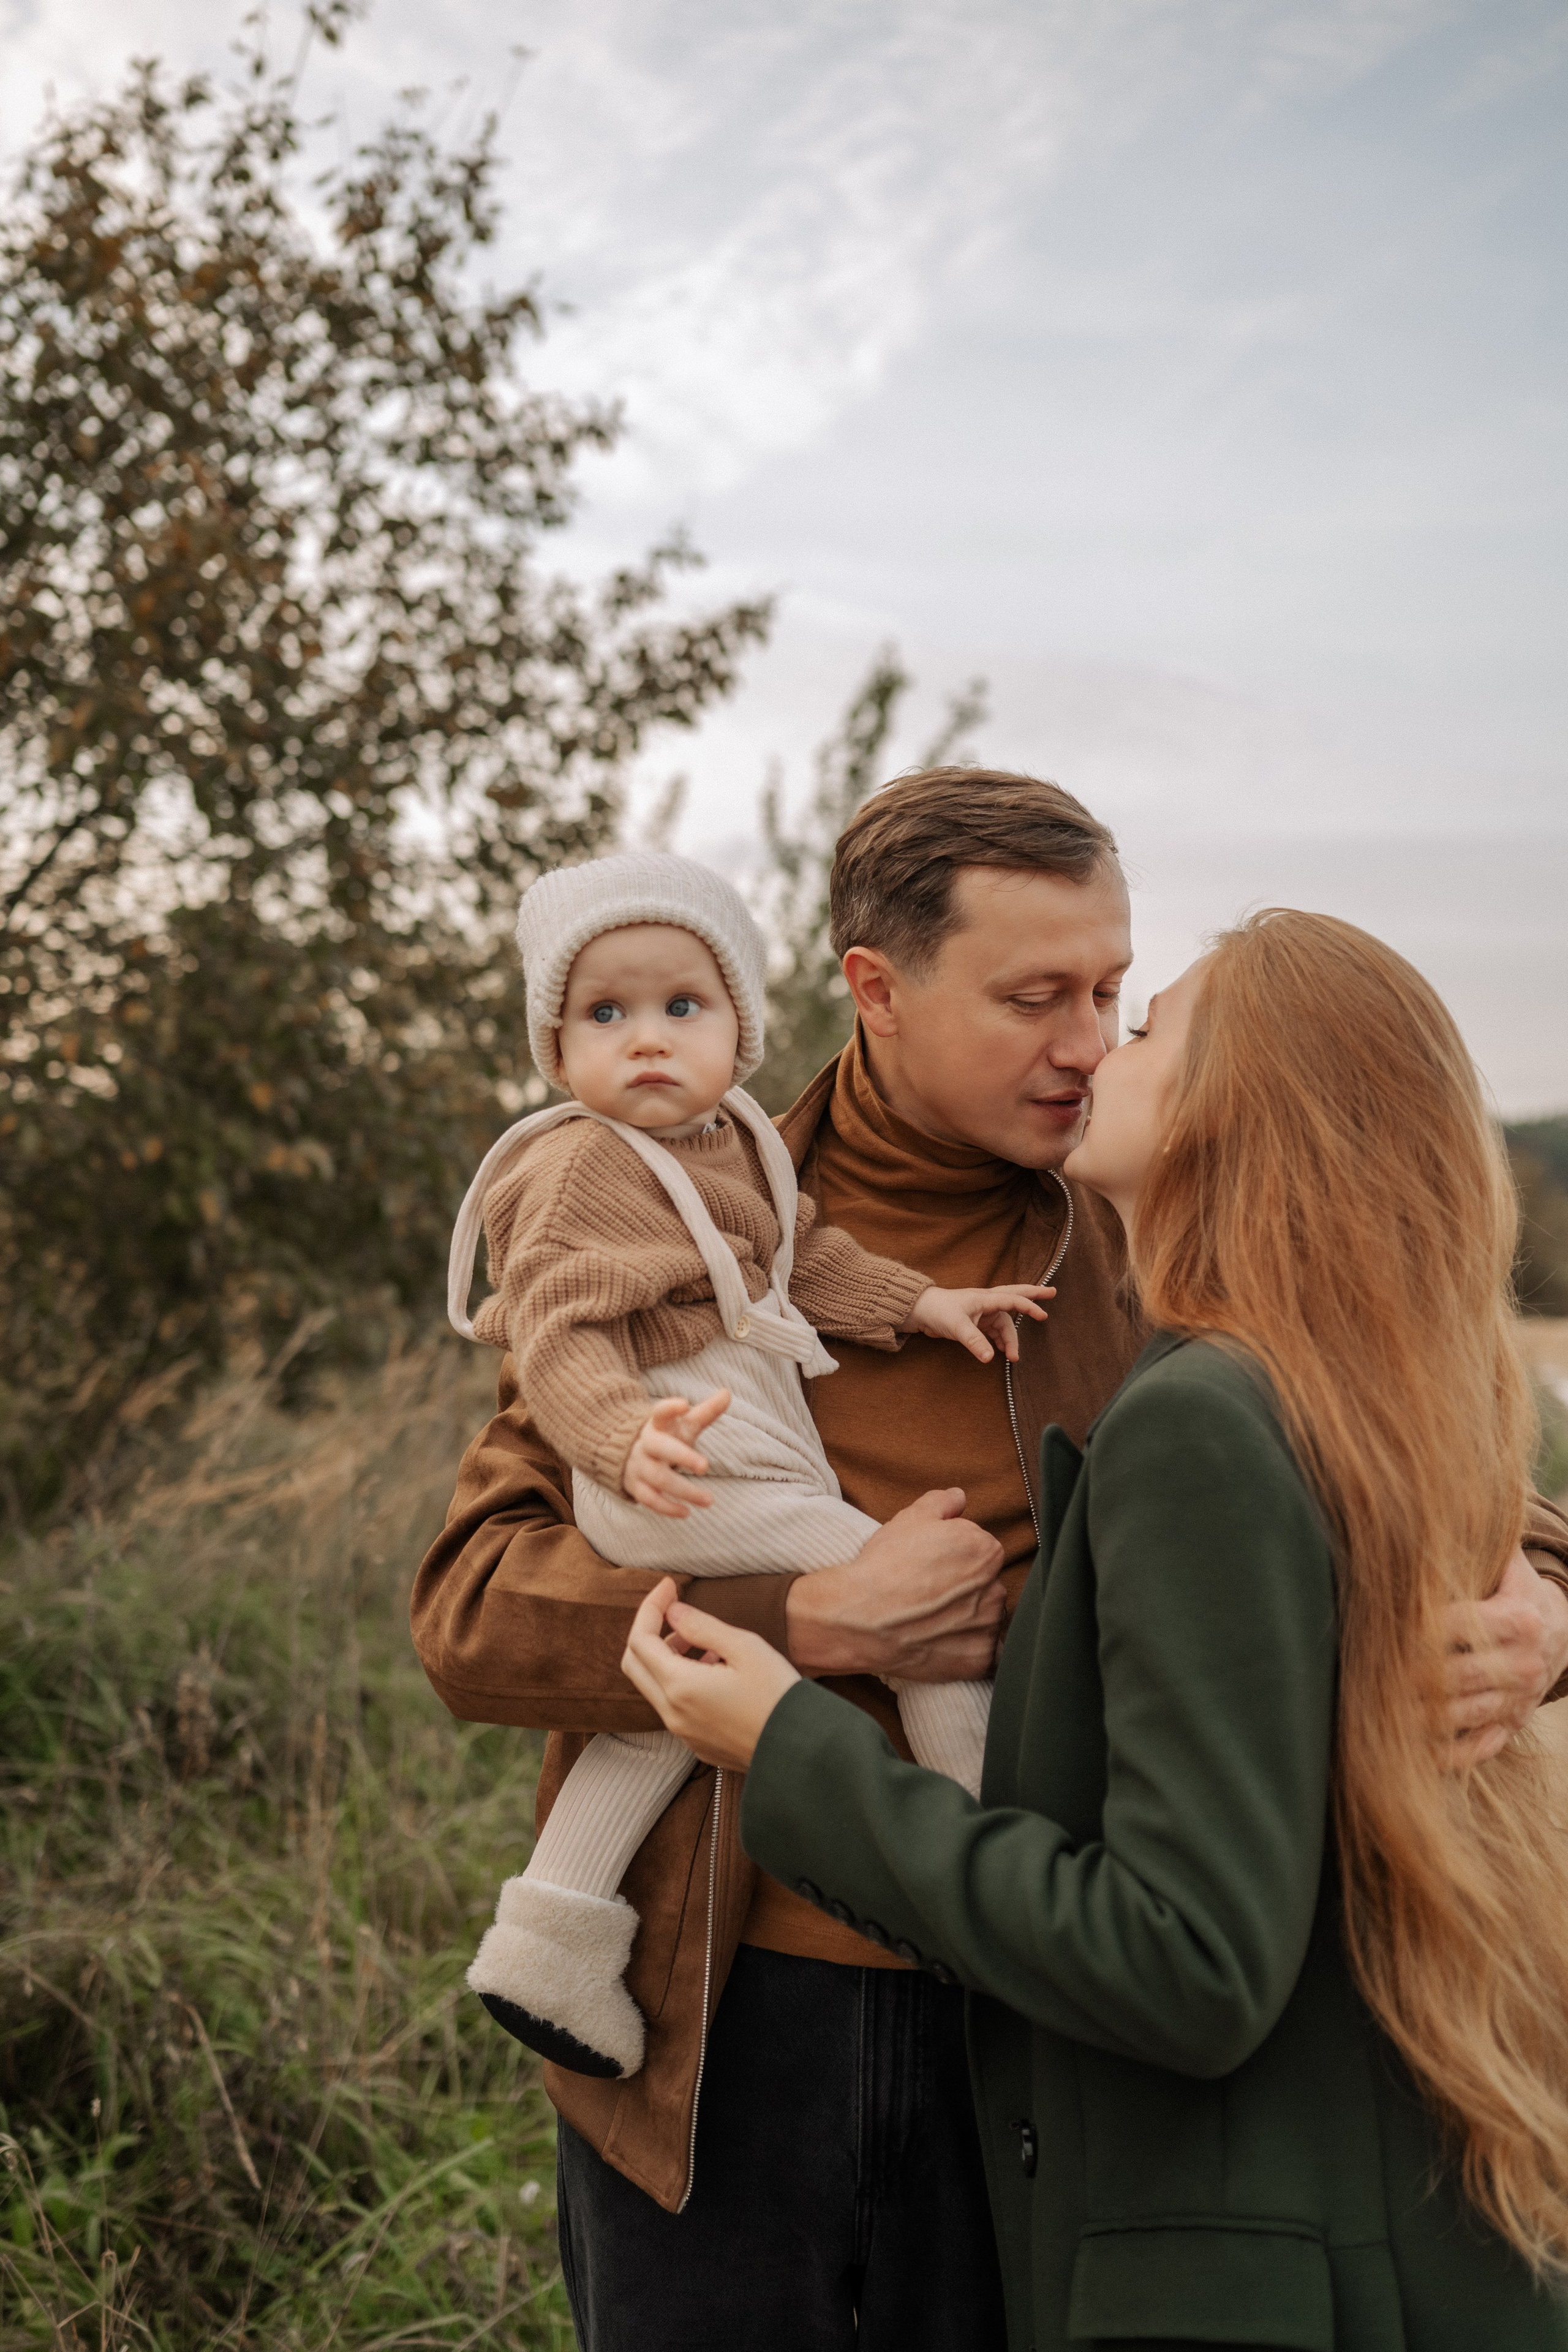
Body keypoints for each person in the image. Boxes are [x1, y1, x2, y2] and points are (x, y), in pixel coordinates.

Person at [411, 771, 1568, 2352]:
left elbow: (1432, 1454)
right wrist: (807, 1617)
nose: (1086, 1041)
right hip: (722, 2031)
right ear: (876, 989)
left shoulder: (1162, 1220)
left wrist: (1543, 1606)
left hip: (1042, 2014)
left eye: (1110, 992)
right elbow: (473, 1608)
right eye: (1035, 999)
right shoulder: (671, 1203)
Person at [447, 851, 1041, 2081]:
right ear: (556, 1050)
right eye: (604, 1014)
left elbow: (802, 1262)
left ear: (741, 1028)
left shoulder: (742, 1149)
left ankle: (549, 1936)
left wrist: (923, 1304)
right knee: (901, 1583)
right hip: (677, 1448)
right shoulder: (577, 1166)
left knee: (672, 1707)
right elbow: (554, 1331)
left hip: (735, 1437)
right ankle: (976, 1852)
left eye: (682, 1006)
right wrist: (621, 1436)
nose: (646, 1040)